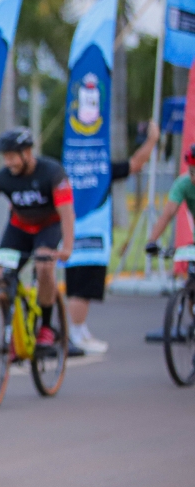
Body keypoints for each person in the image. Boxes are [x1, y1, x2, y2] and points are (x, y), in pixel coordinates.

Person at [0, 127, 75, 351]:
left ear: (27, 153)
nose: (8, 162)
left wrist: (67, 246)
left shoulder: (52, 172)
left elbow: (67, 213)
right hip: (19, 228)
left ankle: (46, 326)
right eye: (5, 157)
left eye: (12, 156)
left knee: (44, 266)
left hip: (48, 227)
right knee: (0, 274)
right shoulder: (3, 177)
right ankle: (11, 330)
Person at [68, 121, 160, 354]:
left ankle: (80, 331)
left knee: (81, 288)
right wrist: (152, 140)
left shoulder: (66, 168)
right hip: (91, 237)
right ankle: (75, 334)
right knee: (82, 289)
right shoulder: (100, 169)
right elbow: (136, 163)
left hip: (72, 236)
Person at [145, 140, 195, 262]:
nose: (194, 178)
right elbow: (168, 214)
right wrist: (152, 241)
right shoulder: (184, 184)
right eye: (192, 172)